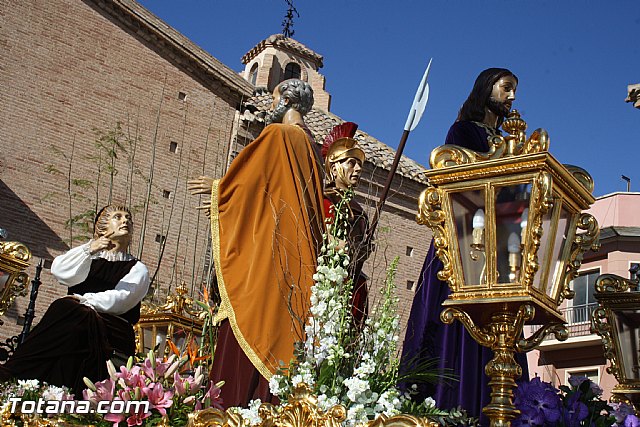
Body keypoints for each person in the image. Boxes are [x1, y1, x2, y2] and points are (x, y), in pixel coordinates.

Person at [400, 68, 528, 424]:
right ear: (487, 90)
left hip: (501, 246)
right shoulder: (463, 131)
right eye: (506, 88)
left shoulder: (507, 137)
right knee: (456, 327)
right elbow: (460, 180)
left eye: (514, 90)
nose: (512, 96)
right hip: (464, 241)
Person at [187, 78, 325, 408]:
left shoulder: (278, 135)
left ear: (287, 100)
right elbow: (281, 198)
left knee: (251, 325)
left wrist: (219, 191)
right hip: (297, 259)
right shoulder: (310, 145)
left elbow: (250, 189)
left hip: (269, 260)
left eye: (276, 98)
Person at [0, 205, 150, 396]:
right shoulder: (88, 258)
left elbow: (123, 298)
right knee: (67, 310)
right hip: (75, 319)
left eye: (128, 218)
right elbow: (60, 272)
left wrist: (83, 301)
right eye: (118, 217)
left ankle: (15, 368)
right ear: (101, 228)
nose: (125, 221)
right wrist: (90, 248)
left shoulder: (137, 268)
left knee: (66, 307)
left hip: (112, 326)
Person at [321, 122, 371, 324]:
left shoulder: (356, 206)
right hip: (333, 286)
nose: (358, 169)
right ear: (334, 167)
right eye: (351, 163)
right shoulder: (326, 200)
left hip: (355, 286)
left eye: (359, 164)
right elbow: (334, 244)